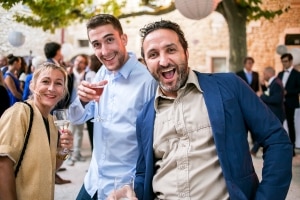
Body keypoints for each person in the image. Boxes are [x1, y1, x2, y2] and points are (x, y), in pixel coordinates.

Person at [133, 20, 292, 200]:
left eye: (171, 50)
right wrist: (130, 191)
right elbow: (143, 174)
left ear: (186, 52)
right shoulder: (144, 117)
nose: (163, 61)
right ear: (146, 63)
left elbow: (277, 141)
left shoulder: (230, 86)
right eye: (153, 55)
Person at [68, 14, 157, 199]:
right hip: (93, 182)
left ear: (123, 39)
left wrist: (137, 187)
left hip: (123, 188)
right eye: (97, 44)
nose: (105, 50)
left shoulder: (147, 82)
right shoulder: (101, 73)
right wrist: (83, 100)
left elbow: (153, 145)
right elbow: (75, 117)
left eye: (109, 40)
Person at [0, 62, 73, 200]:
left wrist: (64, 150)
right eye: (45, 81)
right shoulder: (20, 112)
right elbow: (3, 164)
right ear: (33, 86)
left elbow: (50, 168)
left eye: (58, 83)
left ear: (63, 90)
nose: (51, 88)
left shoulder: (52, 122)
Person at [44, 41, 73, 184]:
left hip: (60, 109)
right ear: (57, 51)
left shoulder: (57, 64)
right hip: (55, 111)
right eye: (60, 50)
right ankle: (52, 173)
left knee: (63, 142)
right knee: (57, 141)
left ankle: (56, 168)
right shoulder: (50, 66)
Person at [251, 66, 285, 156]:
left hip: (276, 113)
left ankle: (254, 150)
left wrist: (261, 96)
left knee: (265, 131)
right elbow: (270, 94)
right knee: (267, 132)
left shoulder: (276, 83)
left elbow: (276, 99)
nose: (263, 76)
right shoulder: (274, 82)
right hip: (274, 113)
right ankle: (256, 150)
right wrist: (263, 86)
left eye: (264, 74)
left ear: (270, 74)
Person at [67, 54, 89, 166]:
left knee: (79, 132)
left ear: (85, 65)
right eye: (77, 60)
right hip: (70, 106)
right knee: (70, 131)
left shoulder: (87, 75)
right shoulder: (69, 74)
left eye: (81, 62)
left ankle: (77, 154)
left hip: (81, 106)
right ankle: (69, 155)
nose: (78, 63)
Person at [278, 53, 300, 156]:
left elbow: (299, 89)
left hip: (291, 103)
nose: (284, 64)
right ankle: (280, 146)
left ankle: (292, 148)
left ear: (291, 61)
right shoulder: (280, 74)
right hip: (280, 104)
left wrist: (288, 92)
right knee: (279, 125)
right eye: (282, 62)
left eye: (286, 61)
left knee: (291, 126)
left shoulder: (297, 74)